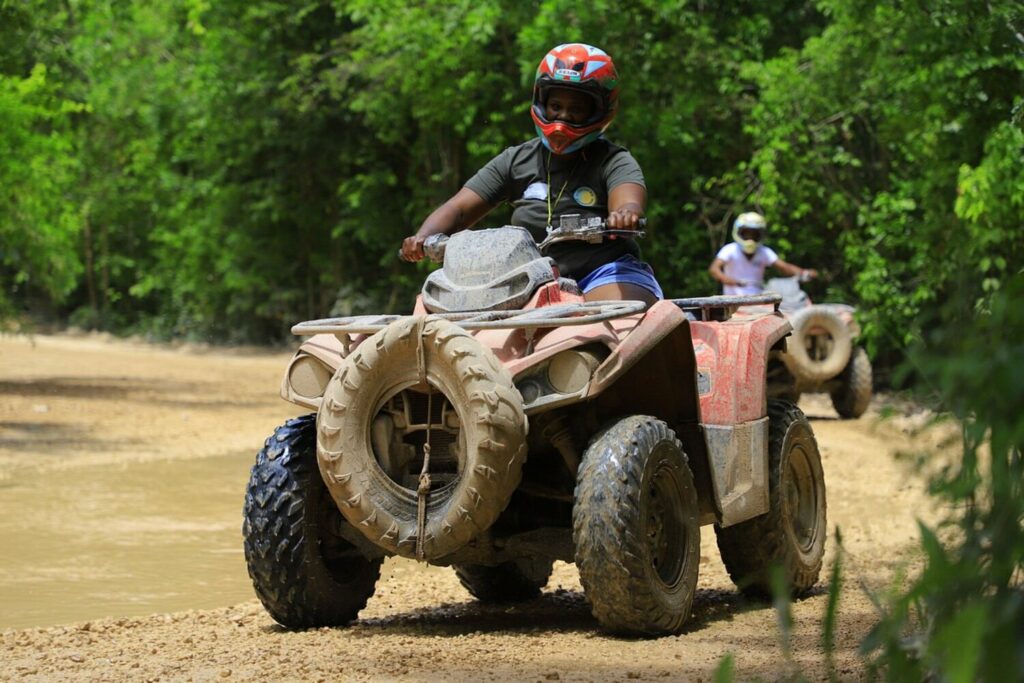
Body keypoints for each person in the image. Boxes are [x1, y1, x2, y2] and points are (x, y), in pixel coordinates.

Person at [399, 43, 662, 305]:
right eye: (556, 105)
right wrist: (423, 237)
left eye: (577, 109)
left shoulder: (613, 160)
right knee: (434, 311)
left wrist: (625, 214)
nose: (563, 116)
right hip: (529, 278)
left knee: (617, 315)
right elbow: (459, 208)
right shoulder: (516, 160)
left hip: (604, 273)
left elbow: (628, 198)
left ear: (601, 111)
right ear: (541, 101)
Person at [708, 212, 818, 295]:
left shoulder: (764, 252)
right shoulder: (730, 250)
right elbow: (714, 269)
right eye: (746, 233)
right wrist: (730, 281)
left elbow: (785, 267)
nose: (750, 238)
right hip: (731, 303)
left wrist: (804, 273)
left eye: (754, 234)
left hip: (758, 304)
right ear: (738, 232)